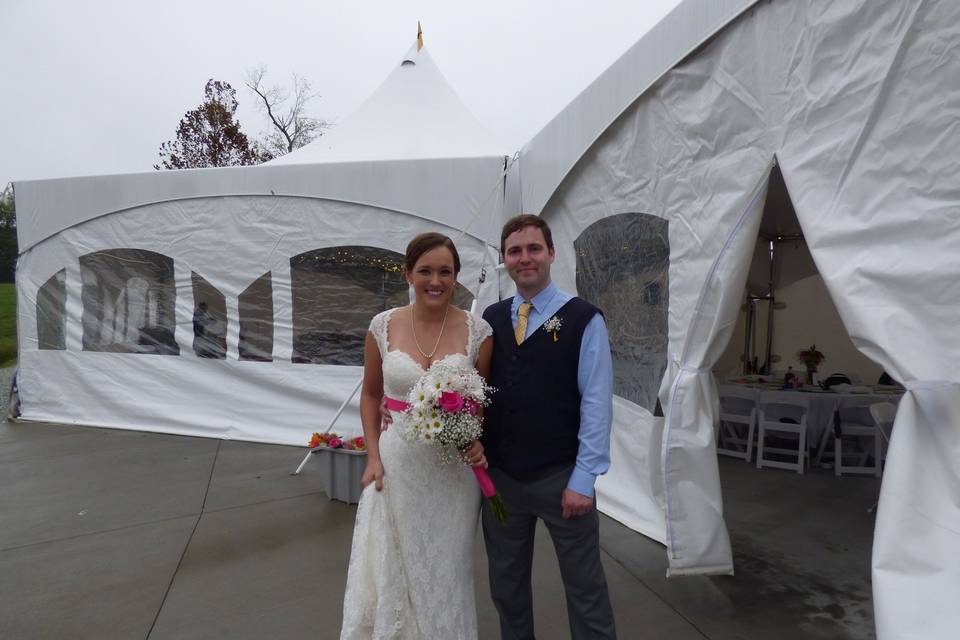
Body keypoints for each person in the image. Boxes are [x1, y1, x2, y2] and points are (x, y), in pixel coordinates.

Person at [340, 232, 493, 640]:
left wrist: (475, 438)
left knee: (447, 571)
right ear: (408, 273)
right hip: (396, 467)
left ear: (456, 276)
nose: (435, 281)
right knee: (393, 565)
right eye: (425, 271)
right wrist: (373, 457)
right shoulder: (382, 326)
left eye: (445, 271)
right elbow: (371, 395)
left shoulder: (479, 331)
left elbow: (480, 403)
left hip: (453, 475)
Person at [481, 214, 616, 639]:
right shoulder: (491, 318)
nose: (525, 258)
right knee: (507, 588)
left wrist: (584, 478)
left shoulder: (584, 319)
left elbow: (597, 402)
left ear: (551, 253)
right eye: (515, 251)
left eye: (534, 248)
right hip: (501, 483)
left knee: (585, 591)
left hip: (561, 479)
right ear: (504, 259)